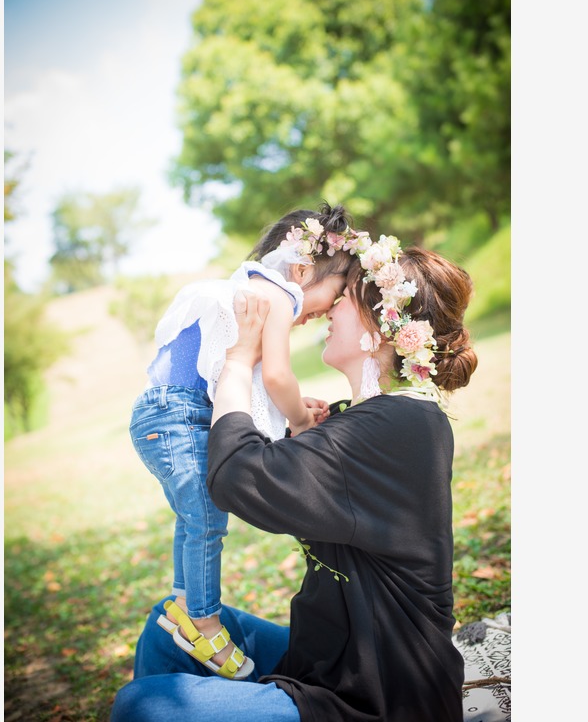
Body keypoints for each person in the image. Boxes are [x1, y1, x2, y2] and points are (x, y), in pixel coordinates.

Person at [112, 236, 480, 722]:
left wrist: (238, 362)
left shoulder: (401, 425)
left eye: (346, 298)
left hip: (381, 693)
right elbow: (287, 472)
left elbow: (237, 477)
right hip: (326, 658)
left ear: (383, 330)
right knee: (169, 626)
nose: (330, 309)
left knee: (143, 707)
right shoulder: (370, 419)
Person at [128, 204, 363, 680]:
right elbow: (276, 375)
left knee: (195, 517)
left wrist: (297, 405)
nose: (326, 312)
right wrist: (299, 418)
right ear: (302, 269)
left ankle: (184, 605)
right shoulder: (276, 296)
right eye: (335, 293)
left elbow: (247, 384)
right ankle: (204, 621)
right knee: (206, 520)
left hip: (170, 412)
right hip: (179, 414)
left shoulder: (251, 290)